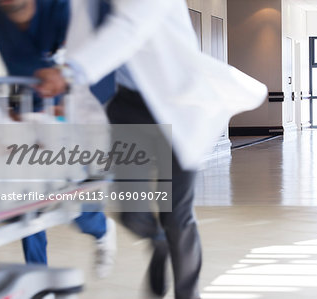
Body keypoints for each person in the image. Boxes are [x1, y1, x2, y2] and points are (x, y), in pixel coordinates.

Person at [35, 0, 267, 298]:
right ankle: (158, 243)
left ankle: (187, 292)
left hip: (178, 101)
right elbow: (83, 46)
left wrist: (68, 73)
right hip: (127, 106)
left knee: (176, 213)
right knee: (131, 212)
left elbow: (129, 28)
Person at [0, 0, 117, 278]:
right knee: (25, 201)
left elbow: (94, 60)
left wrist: (70, 103)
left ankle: (101, 229)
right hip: (25, 110)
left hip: (69, 110)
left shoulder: (63, 8)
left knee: (69, 201)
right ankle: (37, 274)